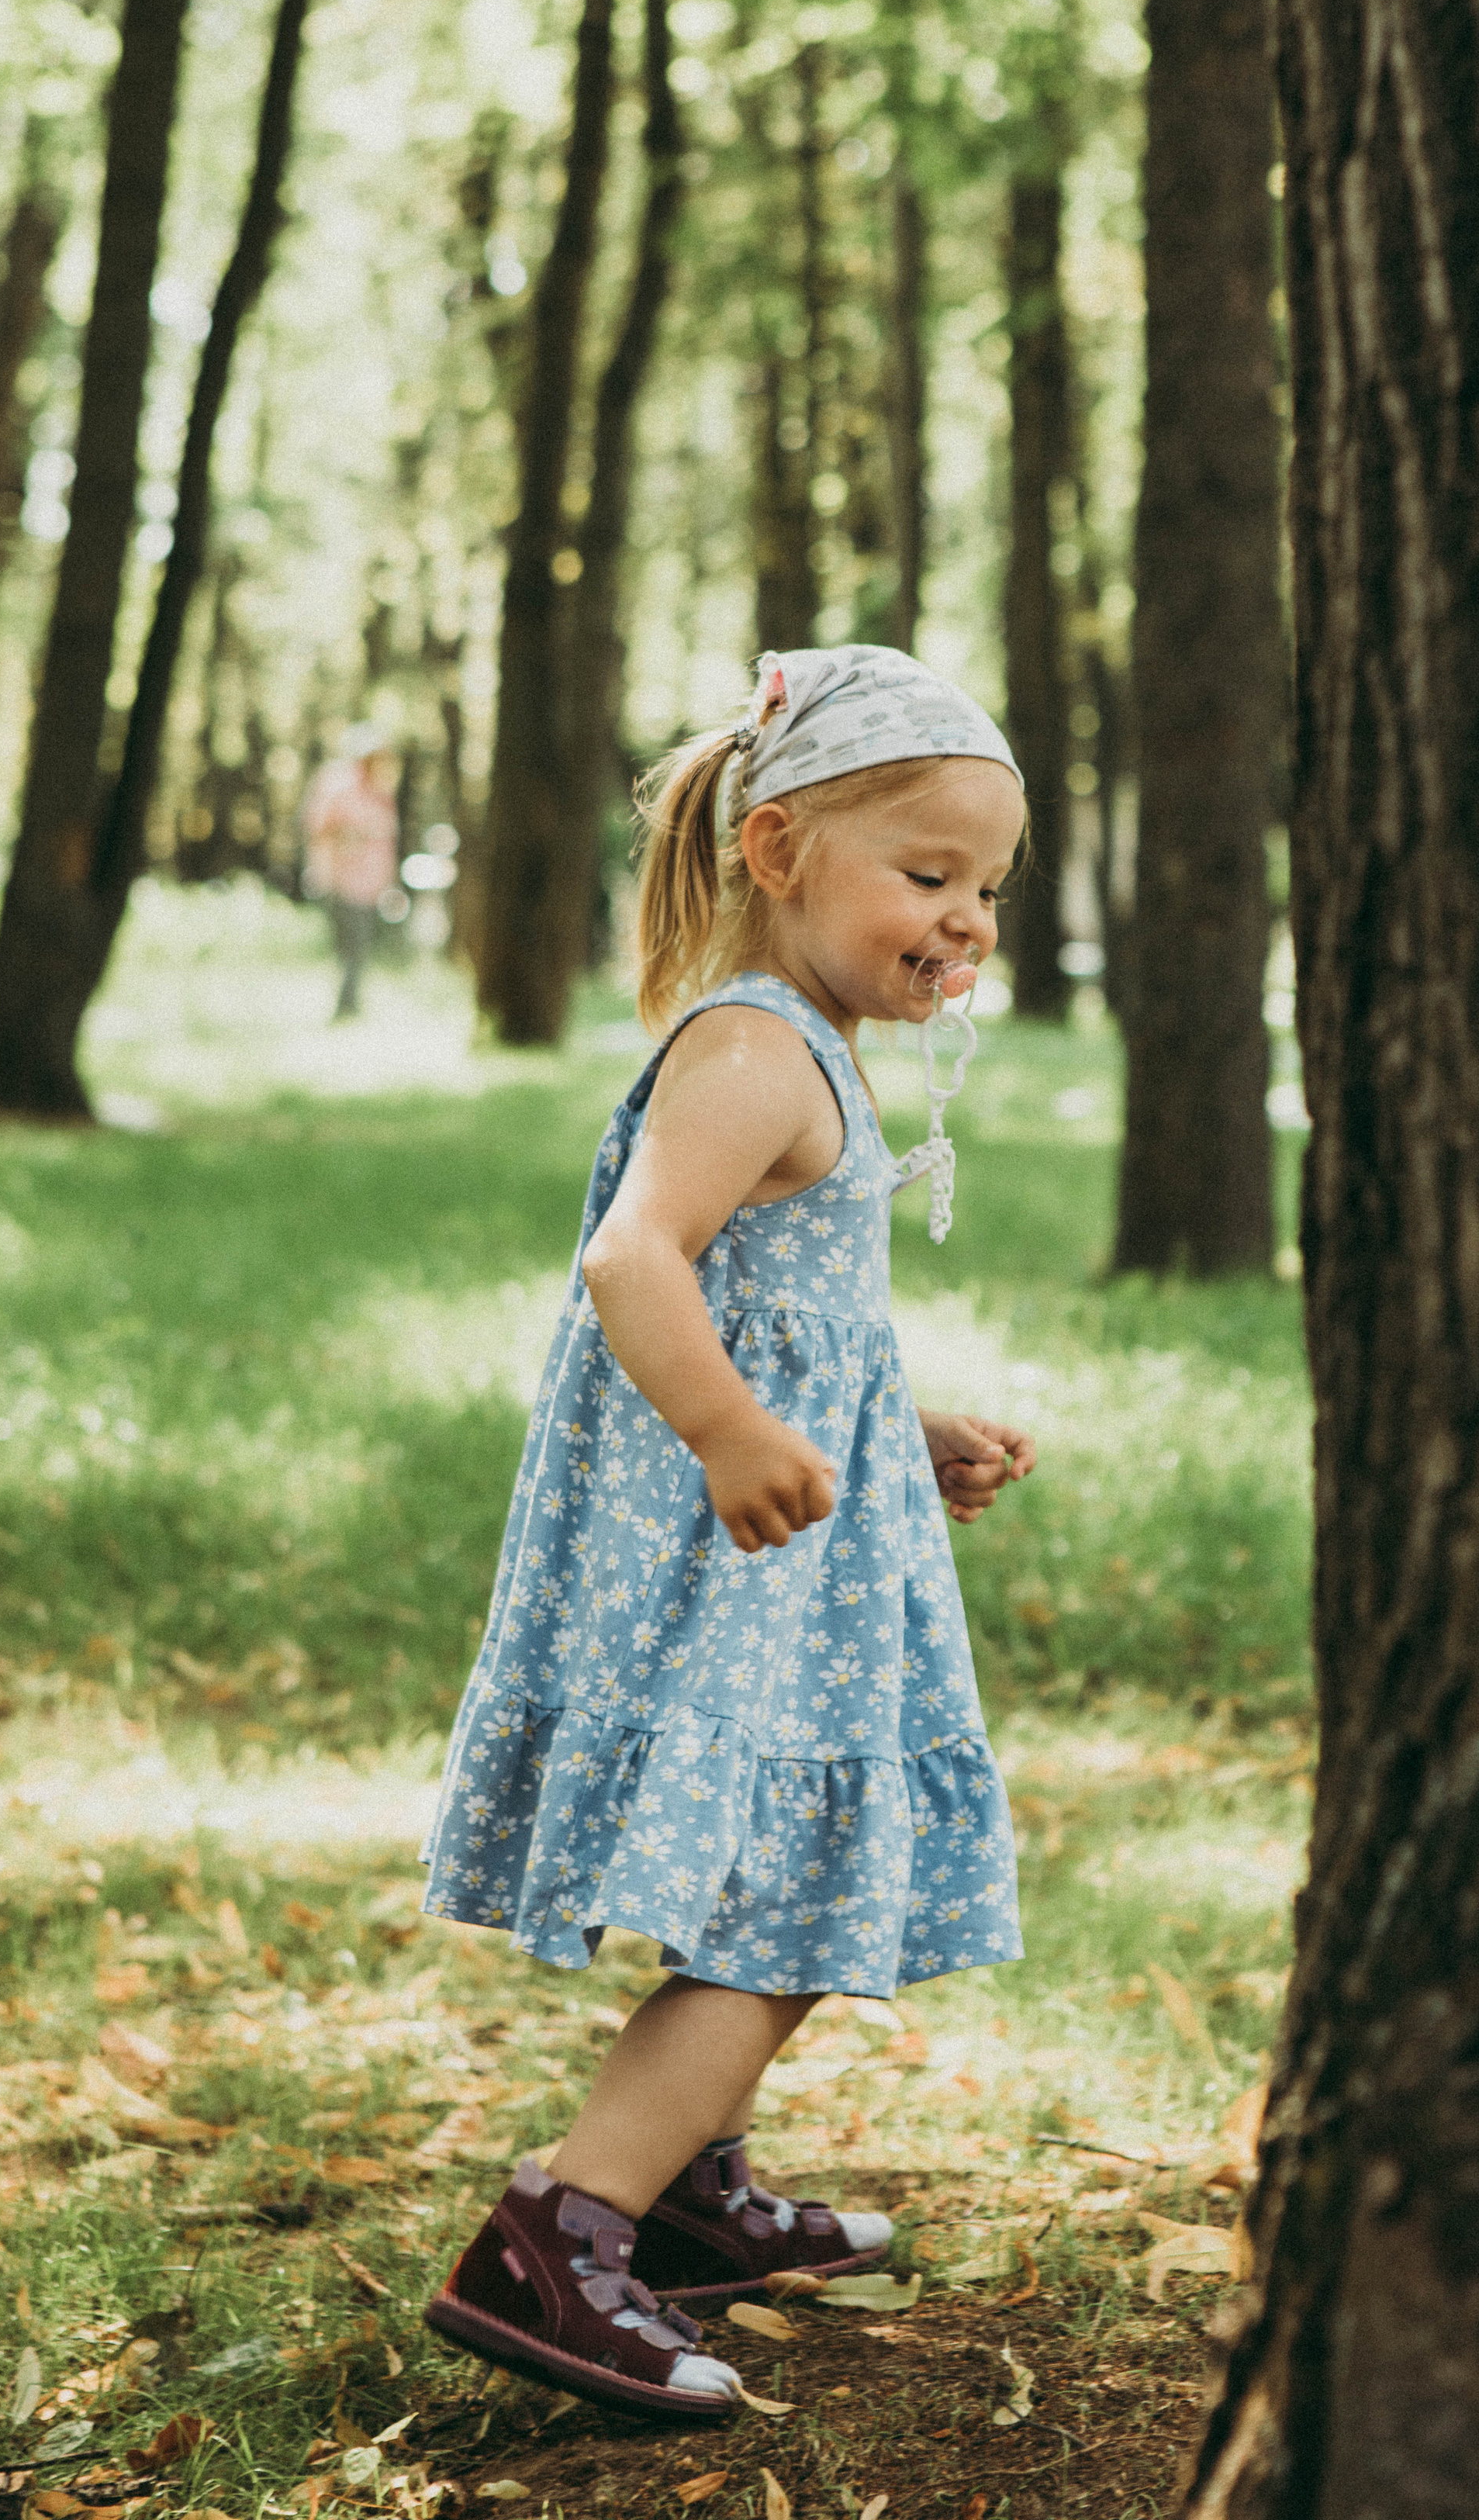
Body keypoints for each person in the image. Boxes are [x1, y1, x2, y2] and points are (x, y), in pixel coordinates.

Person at [417, 646, 1036, 2418]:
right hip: (724, 1573)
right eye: (924, 875)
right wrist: (728, 1426)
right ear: (772, 849)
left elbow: (784, 1310)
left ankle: (690, 2187)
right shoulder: (754, 1047)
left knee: (790, 1869)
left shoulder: (804, 1040)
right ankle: (561, 2226)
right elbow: (633, 1256)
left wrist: (883, 1431)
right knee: (777, 1902)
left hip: (788, 1568)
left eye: (983, 886)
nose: (964, 917)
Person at [300, 726, 399, 1021]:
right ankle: (346, 1007)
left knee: (362, 945)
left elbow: (388, 838)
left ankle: (351, 1005)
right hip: (342, 879)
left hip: (372, 883)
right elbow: (318, 828)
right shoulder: (337, 785)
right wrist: (350, 837)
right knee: (350, 945)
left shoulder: (380, 792)